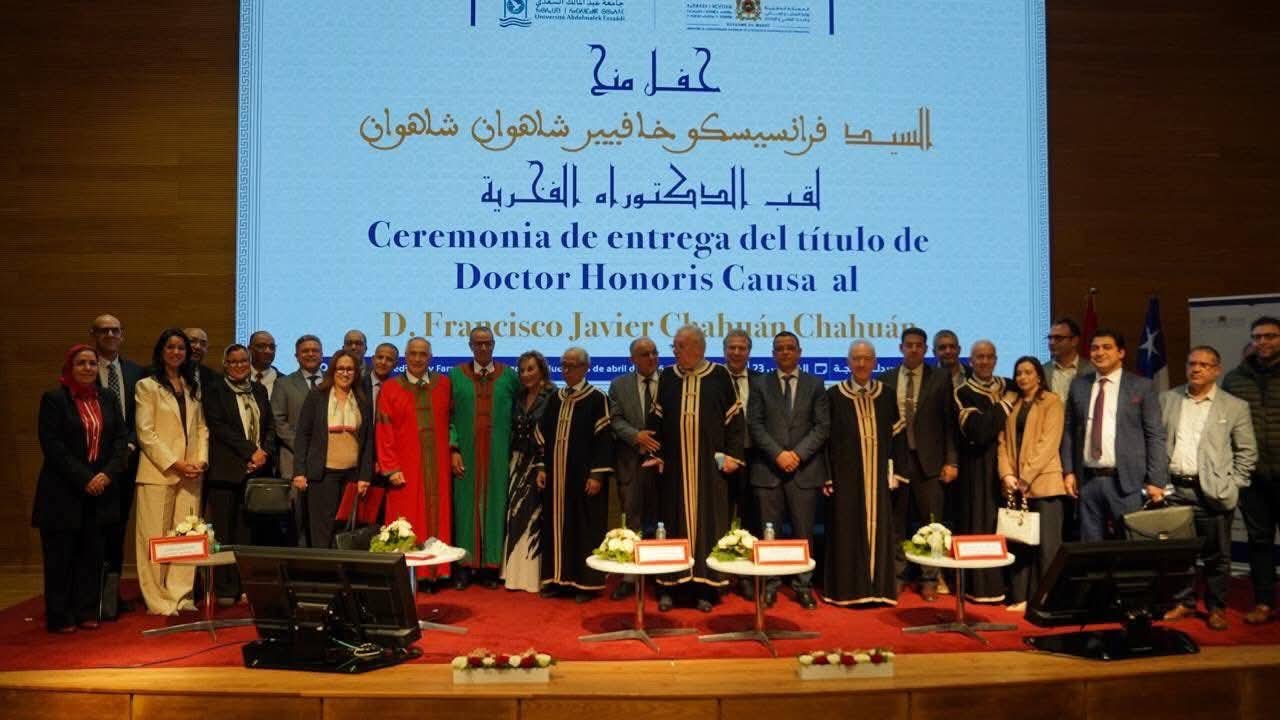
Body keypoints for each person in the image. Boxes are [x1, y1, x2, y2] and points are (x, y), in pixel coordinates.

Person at [648, 325, 745, 612]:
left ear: (698, 348)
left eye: (679, 346)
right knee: (672, 525)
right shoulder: (667, 377)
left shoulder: (720, 376)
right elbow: (656, 422)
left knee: (709, 526)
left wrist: (733, 457)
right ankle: (670, 586)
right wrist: (656, 454)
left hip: (710, 470)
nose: (675, 351)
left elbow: (735, 423)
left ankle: (706, 588)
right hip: (674, 470)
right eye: (674, 346)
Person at [1160, 346, 1257, 631]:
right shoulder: (1168, 399)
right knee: (1180, 553)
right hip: (1174, 491)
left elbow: (1247, 452)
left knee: (1217, 556)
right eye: (1192, 363)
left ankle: (1216, 608)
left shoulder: (1234, 406)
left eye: (1204, 365)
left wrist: (1233, 485)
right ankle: (1184, 602)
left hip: (1212, 493)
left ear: (1216, 370)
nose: (1196, 369)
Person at [33, 345, 128, 632]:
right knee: (61, 558)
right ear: (69, 368)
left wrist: (106, 475)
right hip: (63, 491)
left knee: (92, 554)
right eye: (81, 363)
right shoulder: (54, 400)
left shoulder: (108, 398)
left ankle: (86, 610)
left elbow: (120, 440)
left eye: (92, 363)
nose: (88, 368)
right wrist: (86, 478)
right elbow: (53, 446)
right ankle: (60, 616)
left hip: (101, 490)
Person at [1060, 329, 1168, 541]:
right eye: (1094, 348)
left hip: (1127, 482)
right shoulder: (1079, 385)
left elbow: (1155, 435)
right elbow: (1069, 431)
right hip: (1088, 481)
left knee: (1130, 546)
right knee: (1091, 548)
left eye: (1107, 347)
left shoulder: (1141, 386)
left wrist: (1156, 480)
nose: (1099, 353)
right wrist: (1069, 471)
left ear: (1121, 353)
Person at [748, 331, 829, 609]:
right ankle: (770, 584)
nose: (785, 352)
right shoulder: (760, 384)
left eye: (790, 348)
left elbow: (822, 426)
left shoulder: (815, 384)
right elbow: (755, 424)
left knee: (803, 533)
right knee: (768, 532)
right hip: (768, 470)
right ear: (773, 354)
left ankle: (803, 585)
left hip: (804, 471)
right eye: (779, 348)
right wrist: (778, 454)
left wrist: (797, 454)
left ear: (799, 352)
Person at [877, 327, 958, 601]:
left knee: (931, 523)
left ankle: (930, 578)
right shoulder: (886, 379)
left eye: (919, 345)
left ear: (925, 349)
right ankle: (898, 575)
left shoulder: (940, 378)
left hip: (931, 462)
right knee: (896, 522)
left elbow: (949, 423)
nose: (913, 349)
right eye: (909, 345)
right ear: (900, 348)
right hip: (897, 463)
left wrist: (951, 461)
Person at [823, 340, 905, 606]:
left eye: (866, 358)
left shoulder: (887, 394)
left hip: (879, 479)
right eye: (856, 358)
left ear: (874, 362)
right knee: (846, 531)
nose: (861, 364)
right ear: (848, 362)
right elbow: (825, 441)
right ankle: (848, 591)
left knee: (881, 531)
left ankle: (878, 590)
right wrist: (828, 475)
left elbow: (898, 437)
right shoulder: (834, 395)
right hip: (846, 479)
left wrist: (897, 472)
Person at [134, 328, 208, 616]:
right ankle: (158, 599)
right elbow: (146, 433)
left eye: (181, 348)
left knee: (186, 535)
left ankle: (181, 595)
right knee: (155, 537)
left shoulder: (191, 386)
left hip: (192, 472)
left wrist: (200, 461)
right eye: (171, 347)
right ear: (161, 351)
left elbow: (201, 428)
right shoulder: (147, 386)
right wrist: (176, 463)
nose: (176, 352)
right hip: (159, 472)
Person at [535, 347, 614, 601]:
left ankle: (584, 584)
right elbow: (542, 436)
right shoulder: (555, 398)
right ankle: (557, 579)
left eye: (571, 366)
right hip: (556, 479)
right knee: (555, 528)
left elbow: (604, 441)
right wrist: (541, 467)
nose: (566, 370)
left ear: (585, 368)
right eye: (563, 365)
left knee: (583, 529)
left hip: (583, 479)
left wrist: (597, 475)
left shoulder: (597, 398)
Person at [202, 344, 276, 602]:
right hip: (225, 470)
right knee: (224, 532)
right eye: (233, 362)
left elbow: (269, 426)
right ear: (225, 364)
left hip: (255, 470)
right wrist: (250, 452)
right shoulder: (214, 390)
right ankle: (225, 588)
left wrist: (263, 453)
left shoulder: (259, 390)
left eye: (243, 361)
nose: (239, 366)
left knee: (247, 533)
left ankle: (245, 585)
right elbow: (220, 428)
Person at [377, 338, 454, 582]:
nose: (418, 359)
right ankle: (409, 576)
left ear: (430, 357)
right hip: (405, 467)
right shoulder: (390, 388)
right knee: (406, 519)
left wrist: (454, 450)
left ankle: (436, 573)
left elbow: (452, 421)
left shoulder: (444, 384)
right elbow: (383, 431)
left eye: (423, 354)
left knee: (437, 518)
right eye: (413, 354)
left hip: (438, 467)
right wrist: (390, 468)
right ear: (405, 357)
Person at [449, 326, 519, 589]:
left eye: (488, 343)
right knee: (464, 509)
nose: (483, 348)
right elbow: (447, 416)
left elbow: (522, 412)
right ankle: (464, 567)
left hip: (498, 455)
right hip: (466, 454)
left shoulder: (509, 376)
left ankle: (490, 567)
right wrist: (453, 449)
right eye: (478, 344)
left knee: (496, 506)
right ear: (470, 346)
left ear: (494, 345)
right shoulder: (455, 376)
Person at [1222, 316, 1279, 625]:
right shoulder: (1235, 379)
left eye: (1270, 336)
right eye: (1257, 337)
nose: (1263, 342)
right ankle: (1264, 602)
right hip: (1254, 477)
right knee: (1259, 542)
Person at [998, 356, 1067, 612]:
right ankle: (1021, 597)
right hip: (1016, 485)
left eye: (1028, 372)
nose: (1022, 377)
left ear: (1039, 375)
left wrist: (1026, 476)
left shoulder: (1052, 401)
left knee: (1047, 547)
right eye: (1019, 373)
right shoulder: (1012, 403)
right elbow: (1002, 443)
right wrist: (1007, 474)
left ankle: (1045, 599)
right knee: (1021, 544)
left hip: (1044, 483)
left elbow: (1049, 443)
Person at [292, 349, 374, 549]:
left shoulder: (362, 399)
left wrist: (365, 476)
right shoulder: (317, 396)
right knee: (322, 529)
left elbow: (368, 441)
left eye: (350, 369)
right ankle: (322, 567)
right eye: (340, 369)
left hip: (352, 476)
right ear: (332, 371)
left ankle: (343, 566)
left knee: (345, 531)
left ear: (356, 372)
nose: (345, 373)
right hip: (323, 475)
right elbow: (303, 435)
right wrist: (299, 472)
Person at [90, 314, 144, 612]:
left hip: (126, 463)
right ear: (94, 335)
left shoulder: (135, 372)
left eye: (115, 330)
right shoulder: (84, 368)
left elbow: (141, 416)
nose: (110, 335)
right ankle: (88, 597)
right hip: (92, 468)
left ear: (122, 335)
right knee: (92, 531)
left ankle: (110, 600)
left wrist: (130, 445)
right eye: (104, 330)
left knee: (117, 530)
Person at [951, 340, 1011, 602]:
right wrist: (1006, 406)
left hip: (1012, 465)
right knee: (981, 523)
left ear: (996, 359)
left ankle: (1012, 586)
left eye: (989, 356)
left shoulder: (1010, 385)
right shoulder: (963, 392)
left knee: (1010, 524)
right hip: (978, 468)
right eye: (979, 357)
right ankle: (982, 588)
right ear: (971, 361)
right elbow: (980, 431)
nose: (985, 361)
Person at [606, 337, 662, 600]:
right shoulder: (619, 385)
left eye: (654, 352)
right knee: (633, 518)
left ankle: (662, 575)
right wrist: (636, 436)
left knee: (663, 520)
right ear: (632, 359)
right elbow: (614, 419)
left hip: (664, 464)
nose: (651, 358)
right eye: (644, 354)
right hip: (631, 461)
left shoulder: (671, 381)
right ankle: (630, 576)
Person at [502, 351, 555, 593]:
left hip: (540, 464)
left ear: (542, 370)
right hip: (516, 461)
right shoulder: (518, 396)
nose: (525, 374)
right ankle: (515, 576)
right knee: (515, 516)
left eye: (530, 369)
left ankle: (535, 576)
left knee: (535, 518)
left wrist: (543, 464)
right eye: (522, 370)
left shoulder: (553, 396)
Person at [272, 334, 323, 544]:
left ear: (322, 354)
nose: (310, 354)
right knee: (297, 519)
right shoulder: (283, 383)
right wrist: (305, 447)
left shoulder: (332, 383)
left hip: (325, 463)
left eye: (315, 350)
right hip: (294, 460)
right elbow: (279, 420)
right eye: (305, 351)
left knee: (321, 518)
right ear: (296, 356)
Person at [722, 329, 759, 600]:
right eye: (732, 347)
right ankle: (720, 573)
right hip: (722, 460)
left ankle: (746, 576)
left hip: (755, 459)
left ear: (749, 352)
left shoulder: (762, 381)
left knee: (750, 518)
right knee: (720, 518)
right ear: (724, 350)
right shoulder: (714, 379)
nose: (736, 352)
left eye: (742, 348)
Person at [1045, 318, 1093, 402]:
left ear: (1074, 341)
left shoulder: (1091, 369)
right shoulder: (1042, 371)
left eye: (1058, 338)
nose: (1051, 342)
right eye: (1050, 338)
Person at [183, 327, 218, 398]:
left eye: (203, 344)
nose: (198, 347)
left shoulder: (214, 378)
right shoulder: (169, 374)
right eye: (192, 341)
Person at [247, 330, 281, 400]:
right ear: (249, 349)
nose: (268, 351)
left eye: (272, 347)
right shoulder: (238, 377)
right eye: (261, 346)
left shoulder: (284, 382)